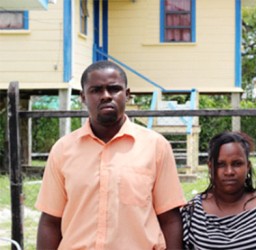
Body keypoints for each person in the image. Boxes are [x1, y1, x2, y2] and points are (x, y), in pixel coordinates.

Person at [35, 60, 186, 249]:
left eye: (114, 89)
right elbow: (50, 221)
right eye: (96, 90)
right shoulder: (63, 150)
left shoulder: (155, 146)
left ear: (127, 94)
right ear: (83, 97)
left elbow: (170, 219)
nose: (106, 96)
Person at [180, 131, 256, 249]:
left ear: (248, 166)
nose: (229, 172)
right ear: (210, 167)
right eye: (221, 164)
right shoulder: (192, 212)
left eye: (237, 164)